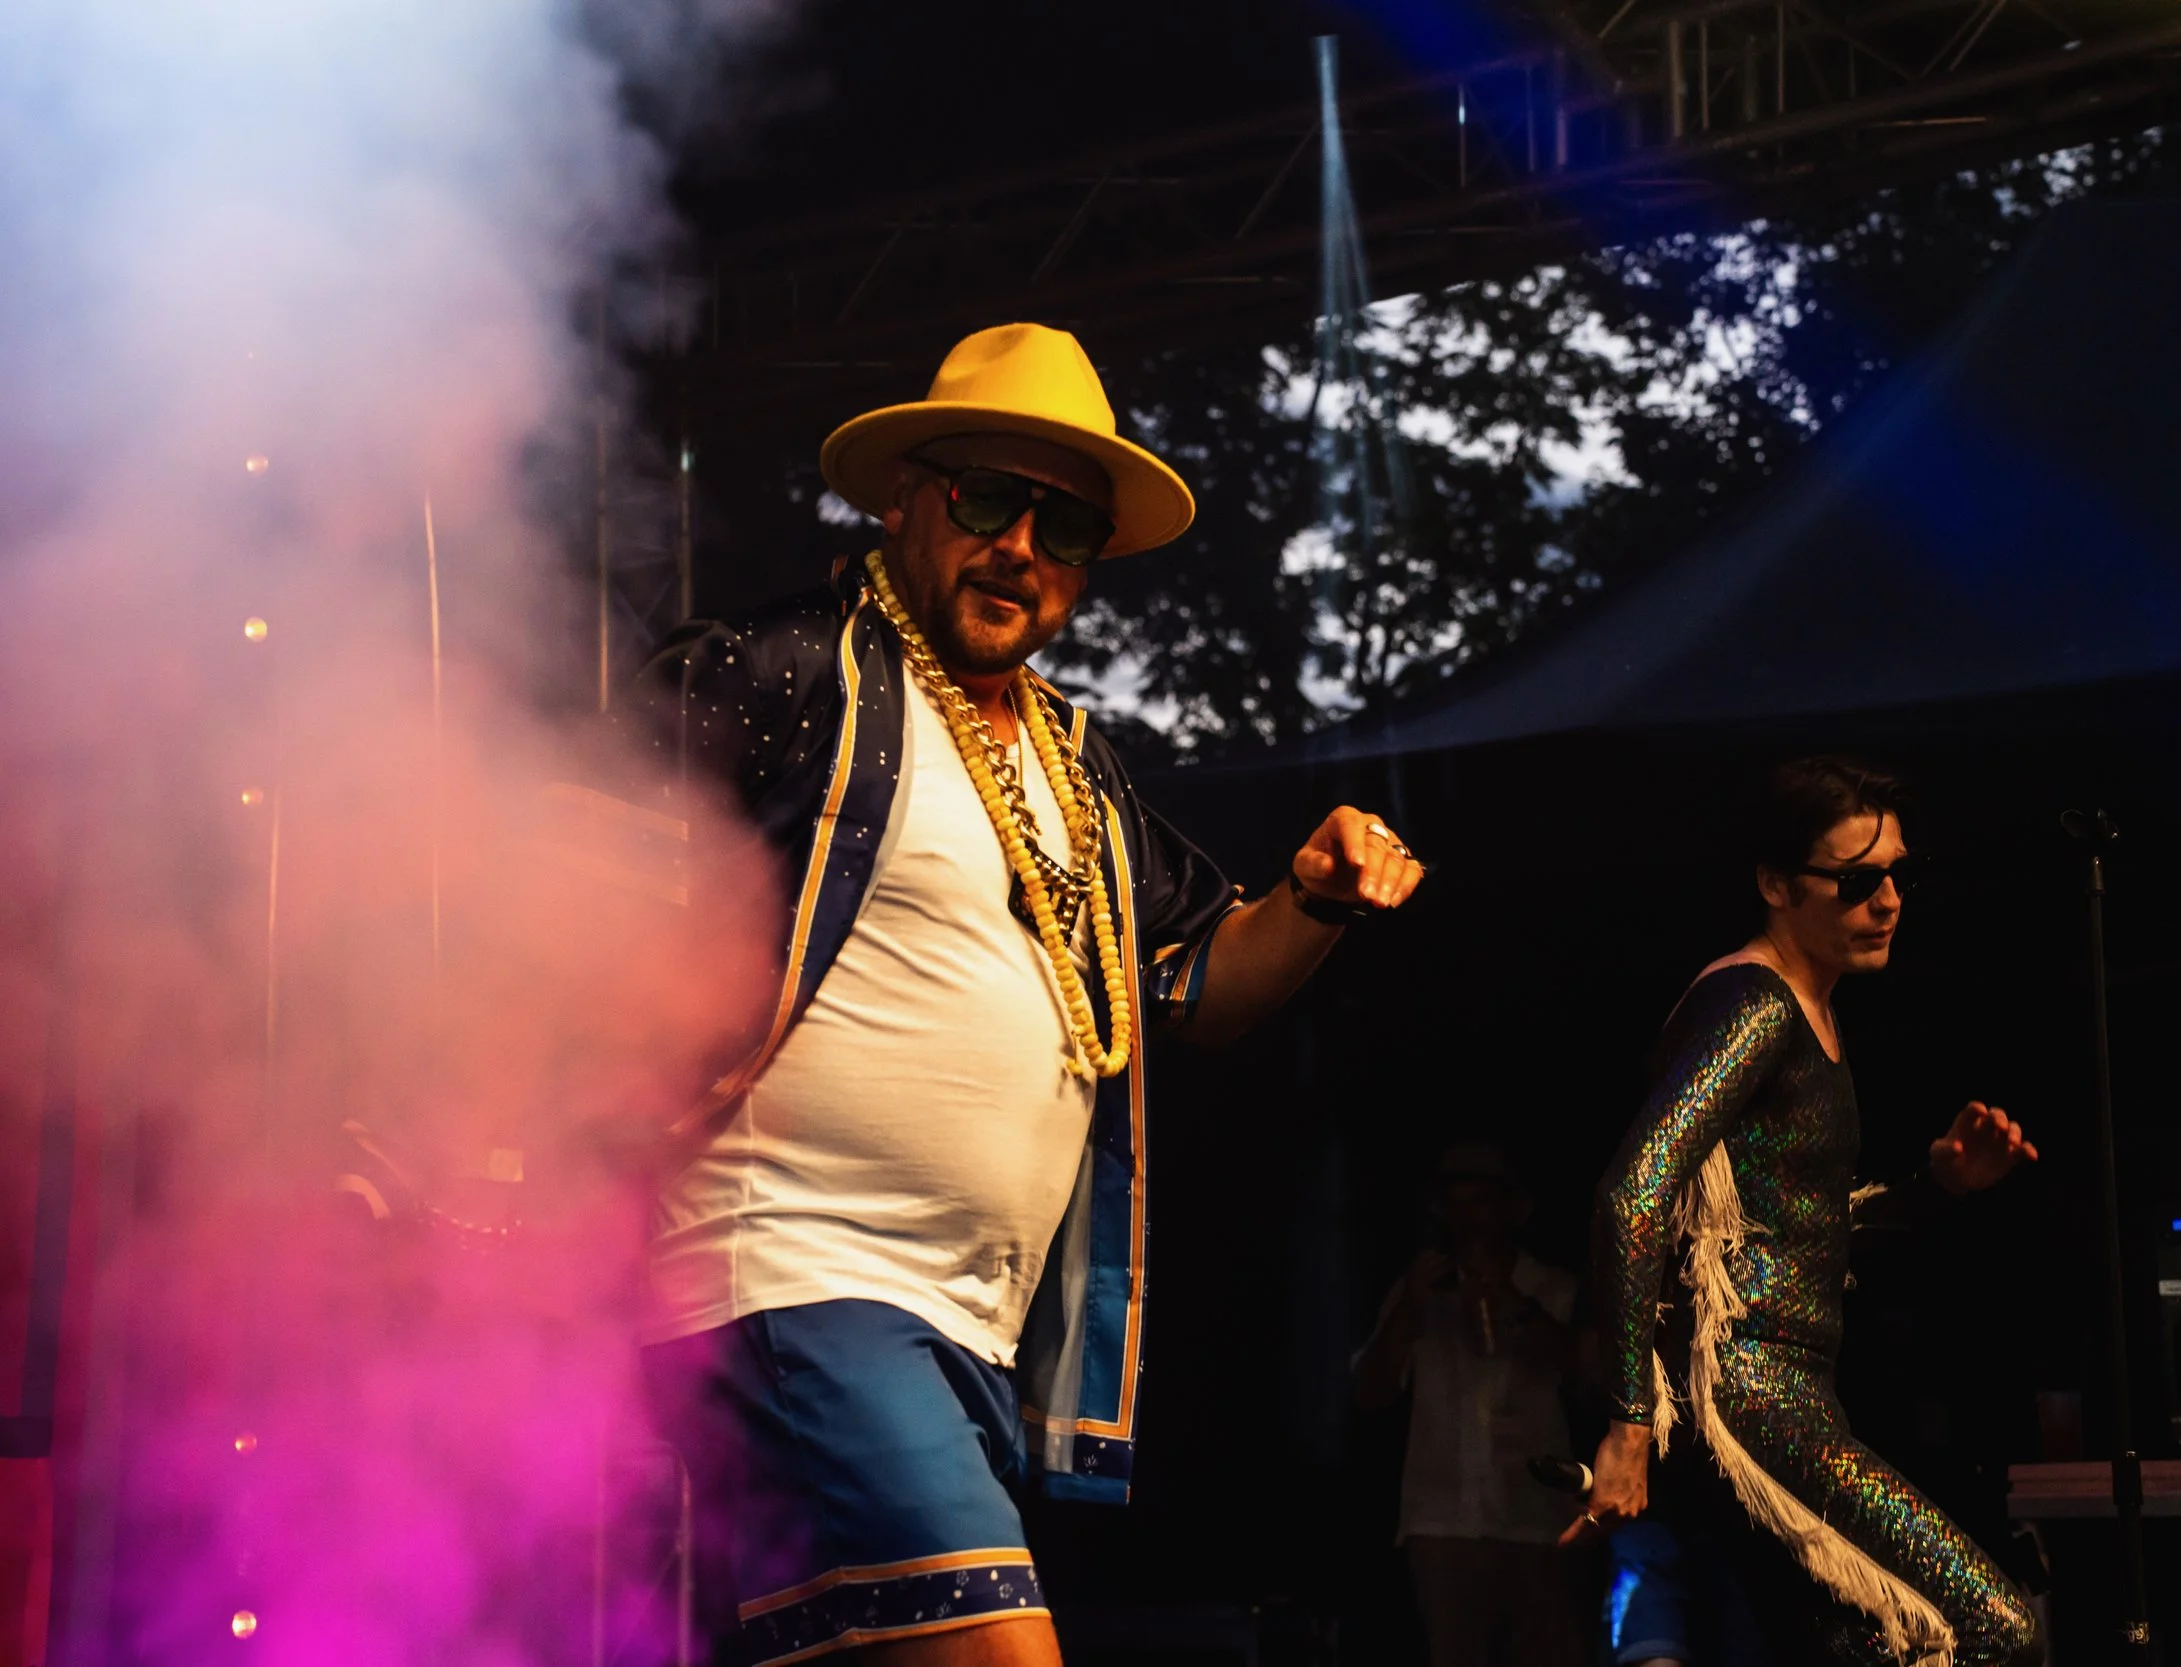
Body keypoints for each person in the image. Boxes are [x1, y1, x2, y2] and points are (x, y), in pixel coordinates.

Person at [631, 324, 1425, 1666]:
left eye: (1064, 528)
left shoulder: (1073, 763)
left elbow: (1199, 984)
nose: (1021, 549)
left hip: (970, 1326)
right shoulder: (786, 673)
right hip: (793, 1269)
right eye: (988, 501)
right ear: (905, 499)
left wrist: (1321, 899)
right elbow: (566, 863)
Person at [1567, 759, 2041, 1667]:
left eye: (1897, 871)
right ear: (1777, 885)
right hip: (1748, 1392)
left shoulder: (1807, 1012)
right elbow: (1635, 1190)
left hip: (1781, 1389)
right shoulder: (1753, 1005)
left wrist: (1937, 1185)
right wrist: (1629, 1420)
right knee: (1994, 1628)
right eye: (1857, 881)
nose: (1889, 899)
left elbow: (1788, 1237)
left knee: (1855, 1650)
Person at [1352, 1141, 1586, 1667]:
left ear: (1512, 1210)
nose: (1469, 1219)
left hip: (1537, 1520)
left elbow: (1590, 1378)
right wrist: (1410, 1310)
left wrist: (1513, 1305)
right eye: (1455, 1203)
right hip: (1442, 1523)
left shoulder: (1552, 1287)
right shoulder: (1420, 1289)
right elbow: (1369, 1393)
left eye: (1481, 1201)